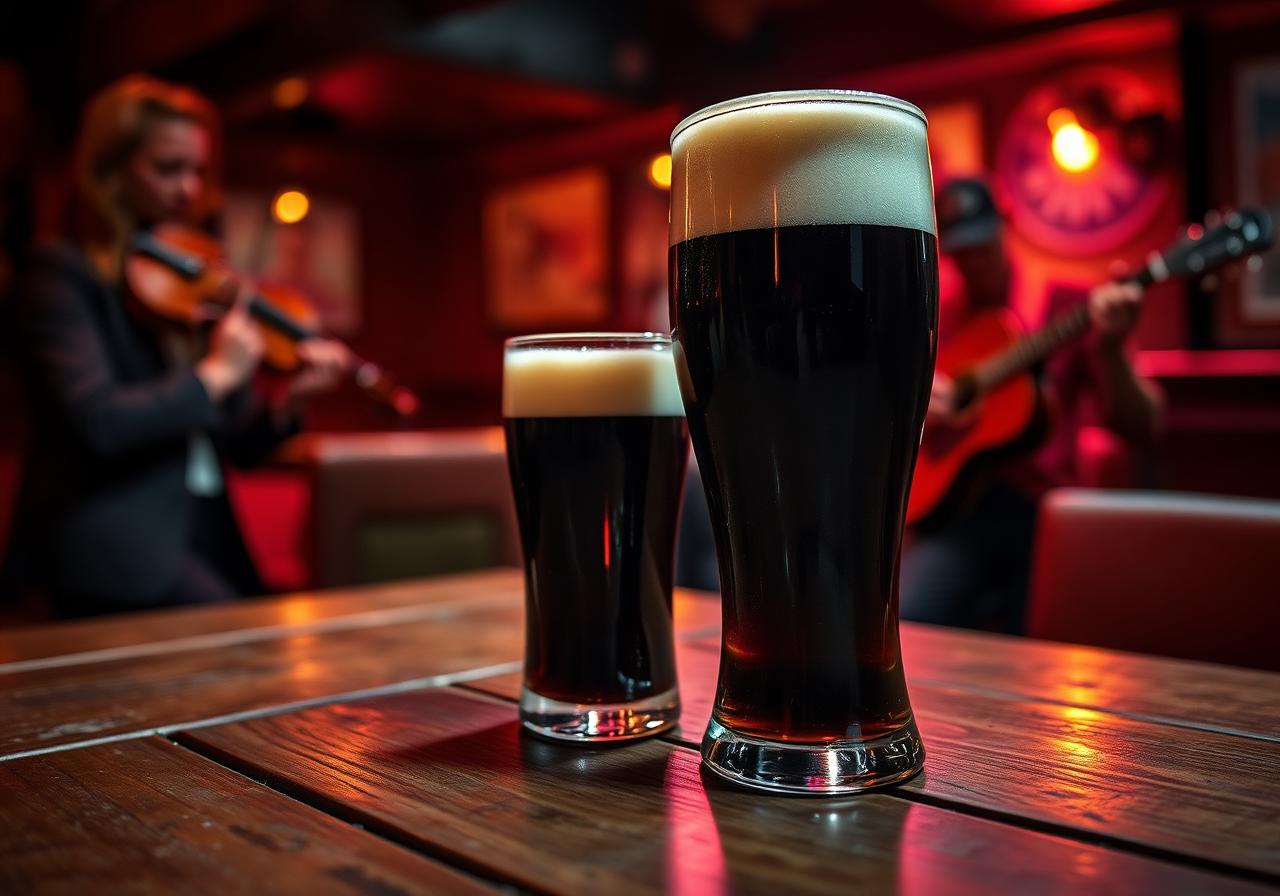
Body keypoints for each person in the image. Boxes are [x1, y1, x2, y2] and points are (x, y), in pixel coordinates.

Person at [3, 75, 349, 617]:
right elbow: (98, 422)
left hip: (205, 534)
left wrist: (291, 401)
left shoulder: (191, 285)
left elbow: (239, 449)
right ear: (110, 172)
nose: (189, 189)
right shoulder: (62, 273)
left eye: (197, 171)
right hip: (110, 550)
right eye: (168, 169)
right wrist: (215, 373)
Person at [900, 178, 1162, 633]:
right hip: (959, 513)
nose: (973, 261)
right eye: (960, 250)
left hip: (1048, 511)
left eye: (982, 244)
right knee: (908, 621)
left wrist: (1113, 351)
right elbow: (894, 417)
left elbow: (1145, 424)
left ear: (1005, 226)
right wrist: (920, 405)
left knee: (1052, 644)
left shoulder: (1070, 304)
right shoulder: (937, 314)